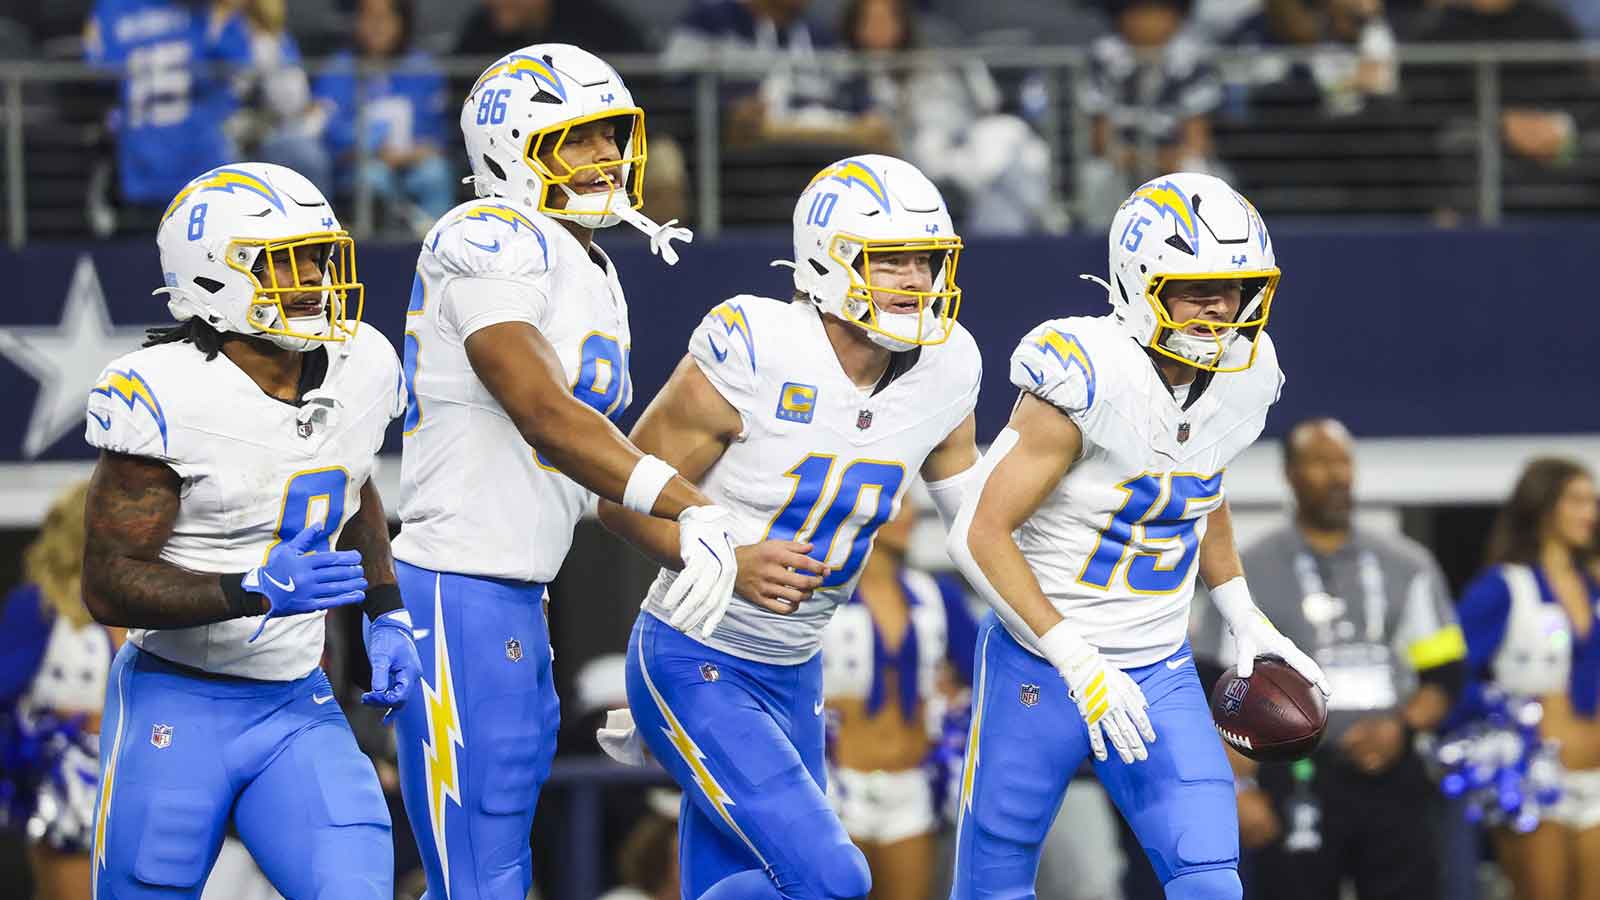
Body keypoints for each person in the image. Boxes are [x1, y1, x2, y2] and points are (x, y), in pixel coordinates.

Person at [390, 43, 745, 900]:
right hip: (457, 584)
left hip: (517, 589)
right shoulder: (488, 235)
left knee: (504, 864)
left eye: (609, 137)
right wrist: (692, 506)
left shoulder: (590, 262)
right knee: (481, 876)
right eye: (576, 140)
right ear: (510, 149)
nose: (604, 158)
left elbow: (590, 479)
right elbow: (541, 411)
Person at [597, 153, 982, 899]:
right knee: (832, 878)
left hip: (794, 666)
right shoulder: (759, 346)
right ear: (826, 261)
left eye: (926, 261)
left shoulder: (948, 365)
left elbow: (977, 524)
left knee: (754, 881)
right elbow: (617, 498)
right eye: (890, 259)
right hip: (693, 652)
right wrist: (725, 558)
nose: (915, 280)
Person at [944, 172, 1328, 900]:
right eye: (1195, 286)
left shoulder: (1247, 375)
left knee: (1211, 879)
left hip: (1159, 667)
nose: (1219, 304)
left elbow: (1197, 482)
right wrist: (1076, 659)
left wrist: (1242, 610)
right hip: (1042, 668)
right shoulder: (1088, 374)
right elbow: (978, 532)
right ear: (1137, 282)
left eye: (1234, 285)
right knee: (993, 887)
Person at [81, 160, 420, 898]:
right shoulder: (168, 392)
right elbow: (108, 584)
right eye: (286, 261)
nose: (313, 278)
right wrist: (250, 590)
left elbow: (351, 480)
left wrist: (386, 610)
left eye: (319, 256)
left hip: (296, 699)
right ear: (210, 278)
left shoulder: (362, 362)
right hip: (178, 696)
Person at [1196, 417, 1466, 900]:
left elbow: (1444, 676)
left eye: (1343, 462)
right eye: (1320, 463)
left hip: (1392, 771)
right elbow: (1219, 686)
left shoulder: (1407, 564)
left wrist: (1400, 728)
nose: (1337, 475)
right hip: (1293, 774)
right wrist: (1238, 791)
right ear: (1291, 475)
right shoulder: (1248, 569)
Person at [820, 495, 978, 900]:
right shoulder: (820, 596)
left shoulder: (936, 595)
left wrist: (955, 702)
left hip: (911, 787)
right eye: (897, 504)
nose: (908, 516)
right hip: (836, 787)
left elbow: (986, 674)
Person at [1456, 457, 1600, 900]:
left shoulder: (1594, 587)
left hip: (1594, 781)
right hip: (1532, 781)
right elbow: (1451, 679)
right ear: (1543, 505)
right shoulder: (1503, 586)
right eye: (1577, 500)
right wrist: (1521, 715)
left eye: (1593, 502)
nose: (1590, 513)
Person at [0, 481, 114, 900]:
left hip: (148, 779)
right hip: (75, 786)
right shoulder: (40, 605)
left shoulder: (158, 601)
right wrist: (66, 722)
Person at [84, 0, 252, 217]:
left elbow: (95, 66)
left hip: (155, 160)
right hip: (190, 161)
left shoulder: (112, 8)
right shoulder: (210, 9)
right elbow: (240, 65)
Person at [313, 0, 454, 229]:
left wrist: (408, 155)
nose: (376, 26)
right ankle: (381, 253)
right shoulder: (339, 68)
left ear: (402, 22)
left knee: (435, 173)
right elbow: (328, 134)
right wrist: (370, 151)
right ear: (357, 21)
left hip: (412, 162)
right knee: (374, 178)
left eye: (385, 18)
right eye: (369, 17)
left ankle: (438, 246)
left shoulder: (422, 68)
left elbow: (439, 137)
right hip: (360, 165)